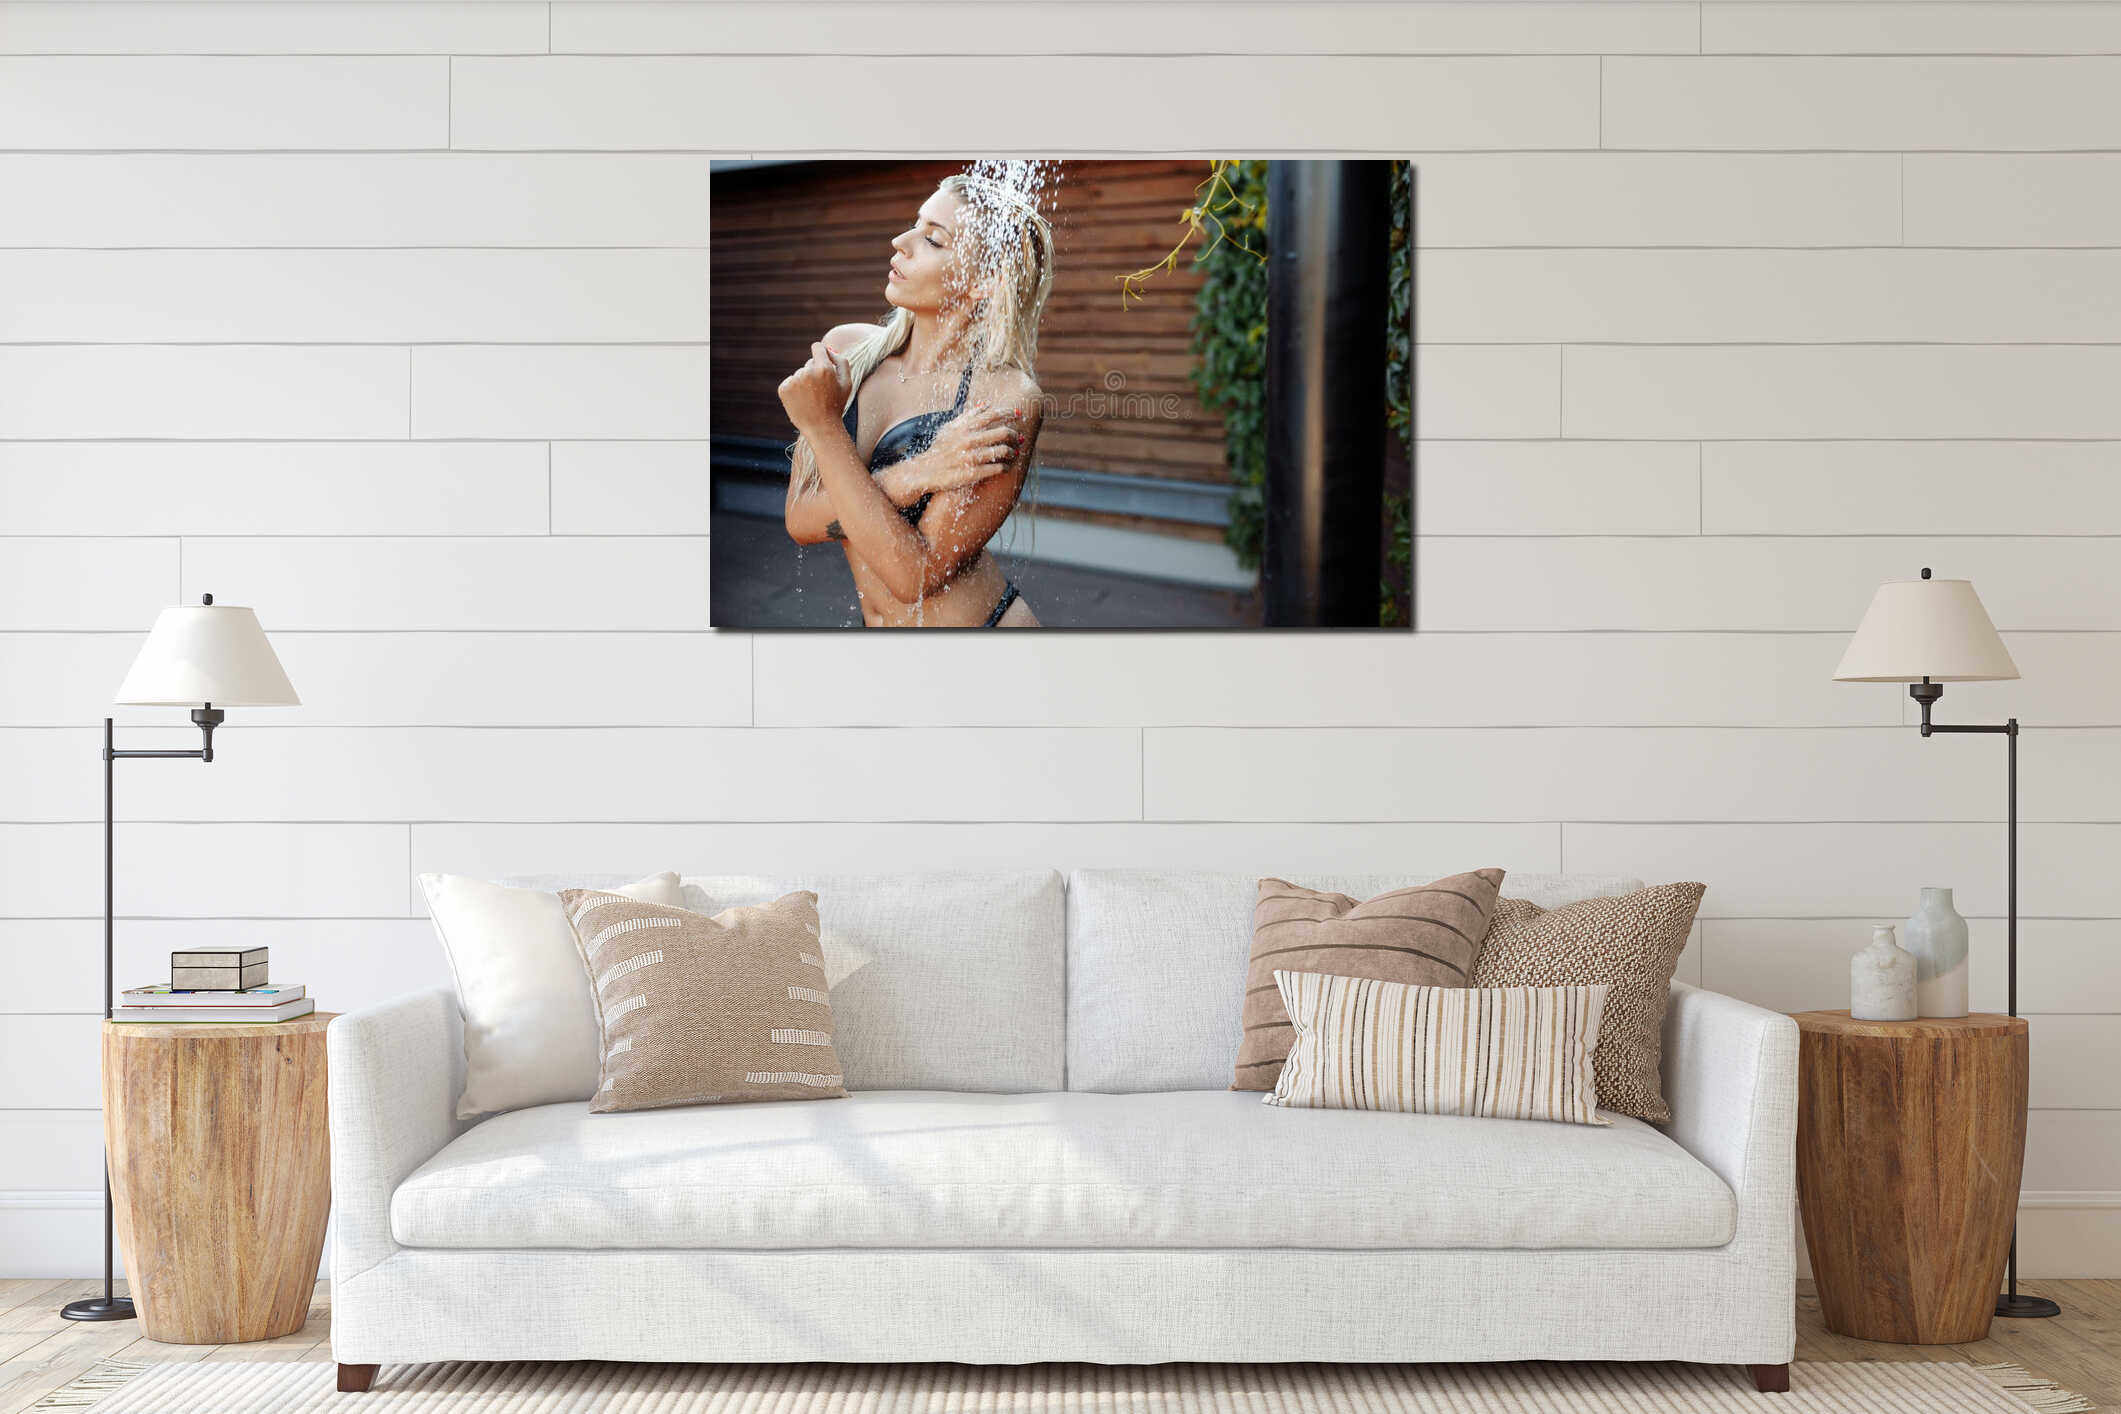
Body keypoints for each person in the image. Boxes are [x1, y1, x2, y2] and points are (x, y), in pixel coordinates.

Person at [778, 172, 1053, 627]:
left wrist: (823, 426)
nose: (900, 242)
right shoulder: (847, 355)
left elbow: (915, 576)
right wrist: (916, 473)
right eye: (914, 224)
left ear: (984, 281)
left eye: (933, 239)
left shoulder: (1003, 398)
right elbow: (800, 520)